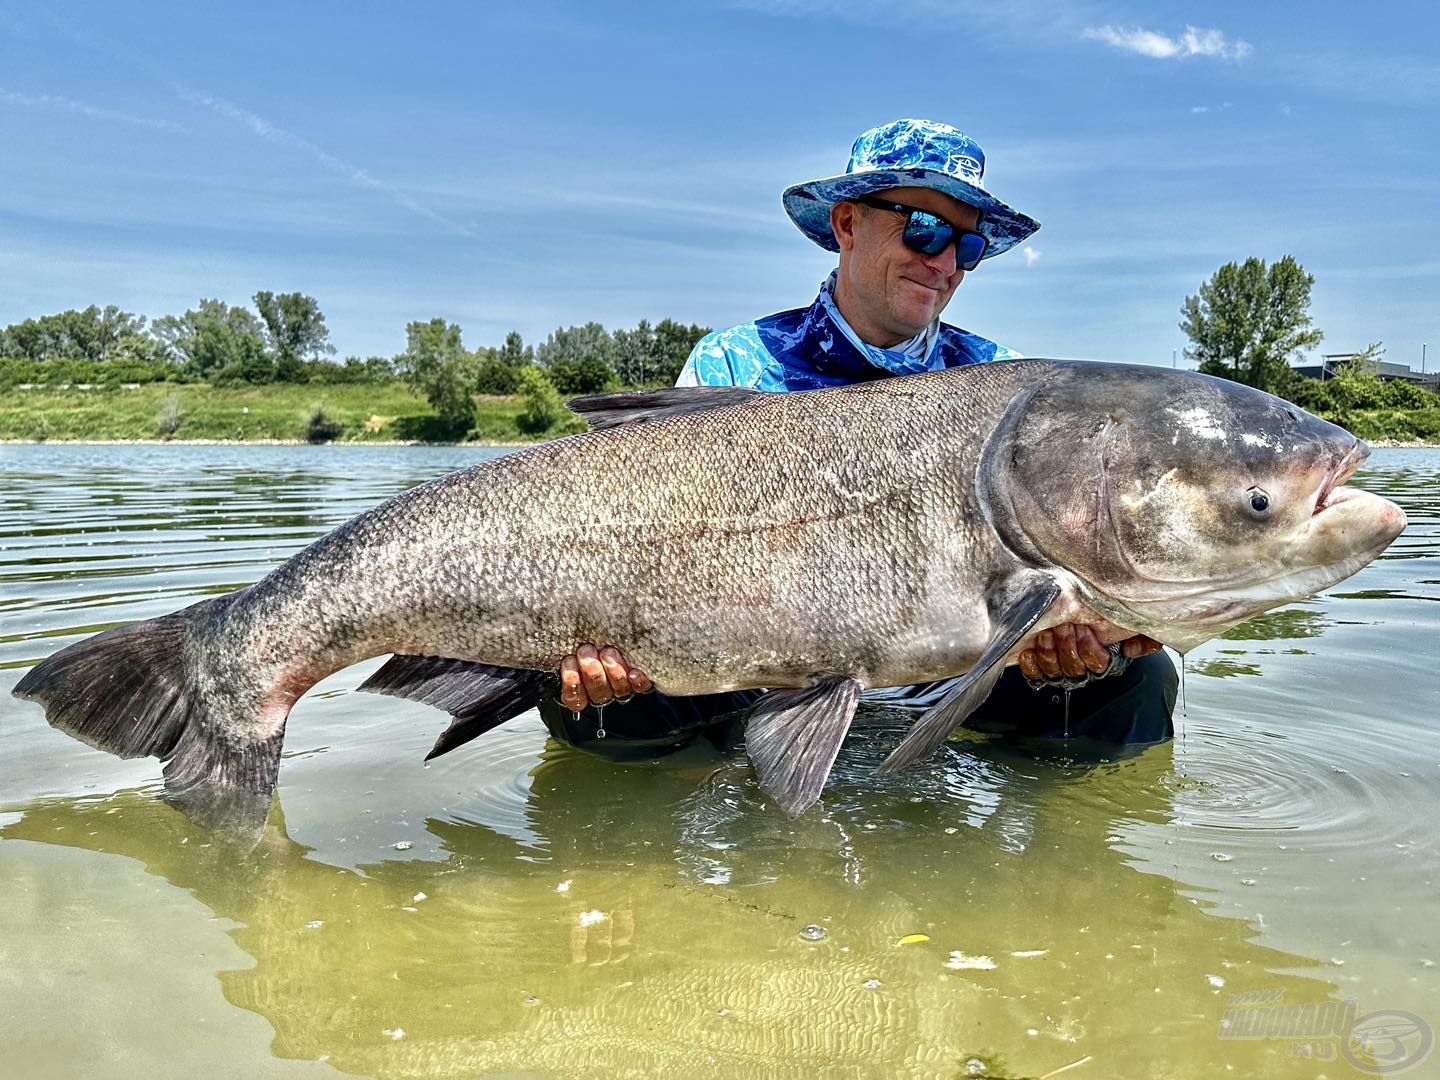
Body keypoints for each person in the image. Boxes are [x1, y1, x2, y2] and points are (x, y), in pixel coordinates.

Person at [543, 118, 1177, 759]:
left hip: (946, 683)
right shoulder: (732, 363)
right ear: (847, 224)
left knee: (1137, 680)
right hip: (750, 670)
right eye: (924, 229)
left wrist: (1076, 648)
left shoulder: (1002, 386)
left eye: (969, 247)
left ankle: (1057, 855)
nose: (945, 262)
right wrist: (612, 651)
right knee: (574, 690)